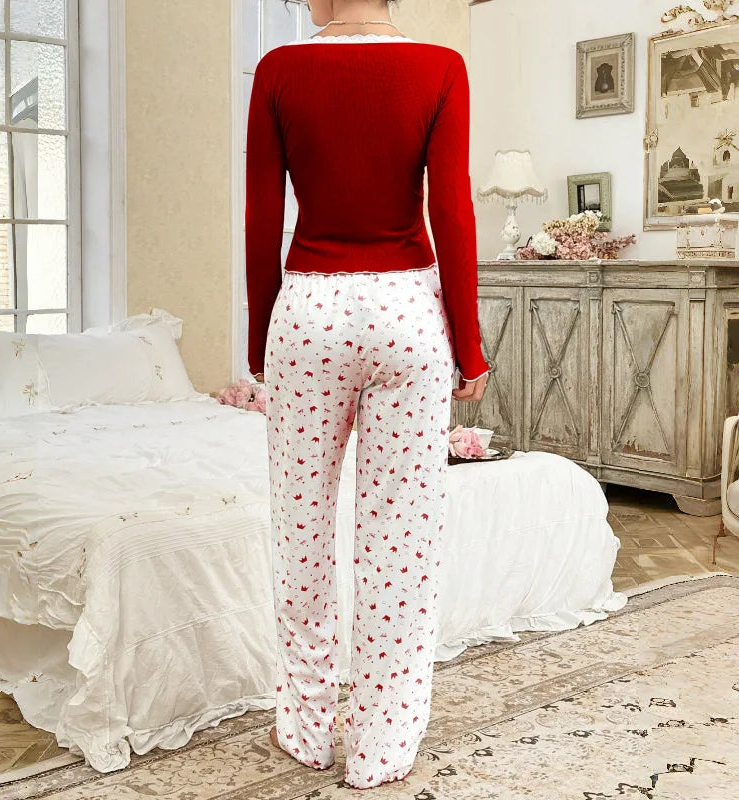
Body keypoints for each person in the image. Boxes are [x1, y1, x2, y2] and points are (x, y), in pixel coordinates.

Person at [245, 0, 489, 789]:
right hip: (408, 314)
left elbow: (262, 213)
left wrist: (257, 337)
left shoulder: (280, 70)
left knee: (301, 528)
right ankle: (381, 747)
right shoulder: (439, 67)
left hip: (308, 314)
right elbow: (451, 210)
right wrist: (470, 346)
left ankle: (308, 729)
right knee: (401, 541)